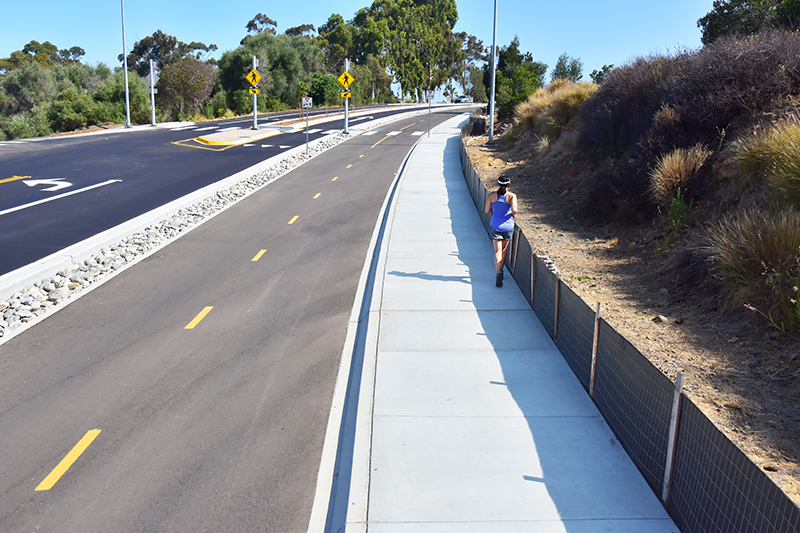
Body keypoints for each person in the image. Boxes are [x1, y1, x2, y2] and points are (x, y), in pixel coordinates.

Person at [484, 175, 517, 287]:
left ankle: (499, 272)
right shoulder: (512, 196)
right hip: (508, 227)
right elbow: (515, 210)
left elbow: (487, 210)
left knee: (497, 251)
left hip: (495, 226)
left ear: (498, 184)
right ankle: (501, 270)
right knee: (503, 249)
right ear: (509, 184)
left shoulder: (492, 195)